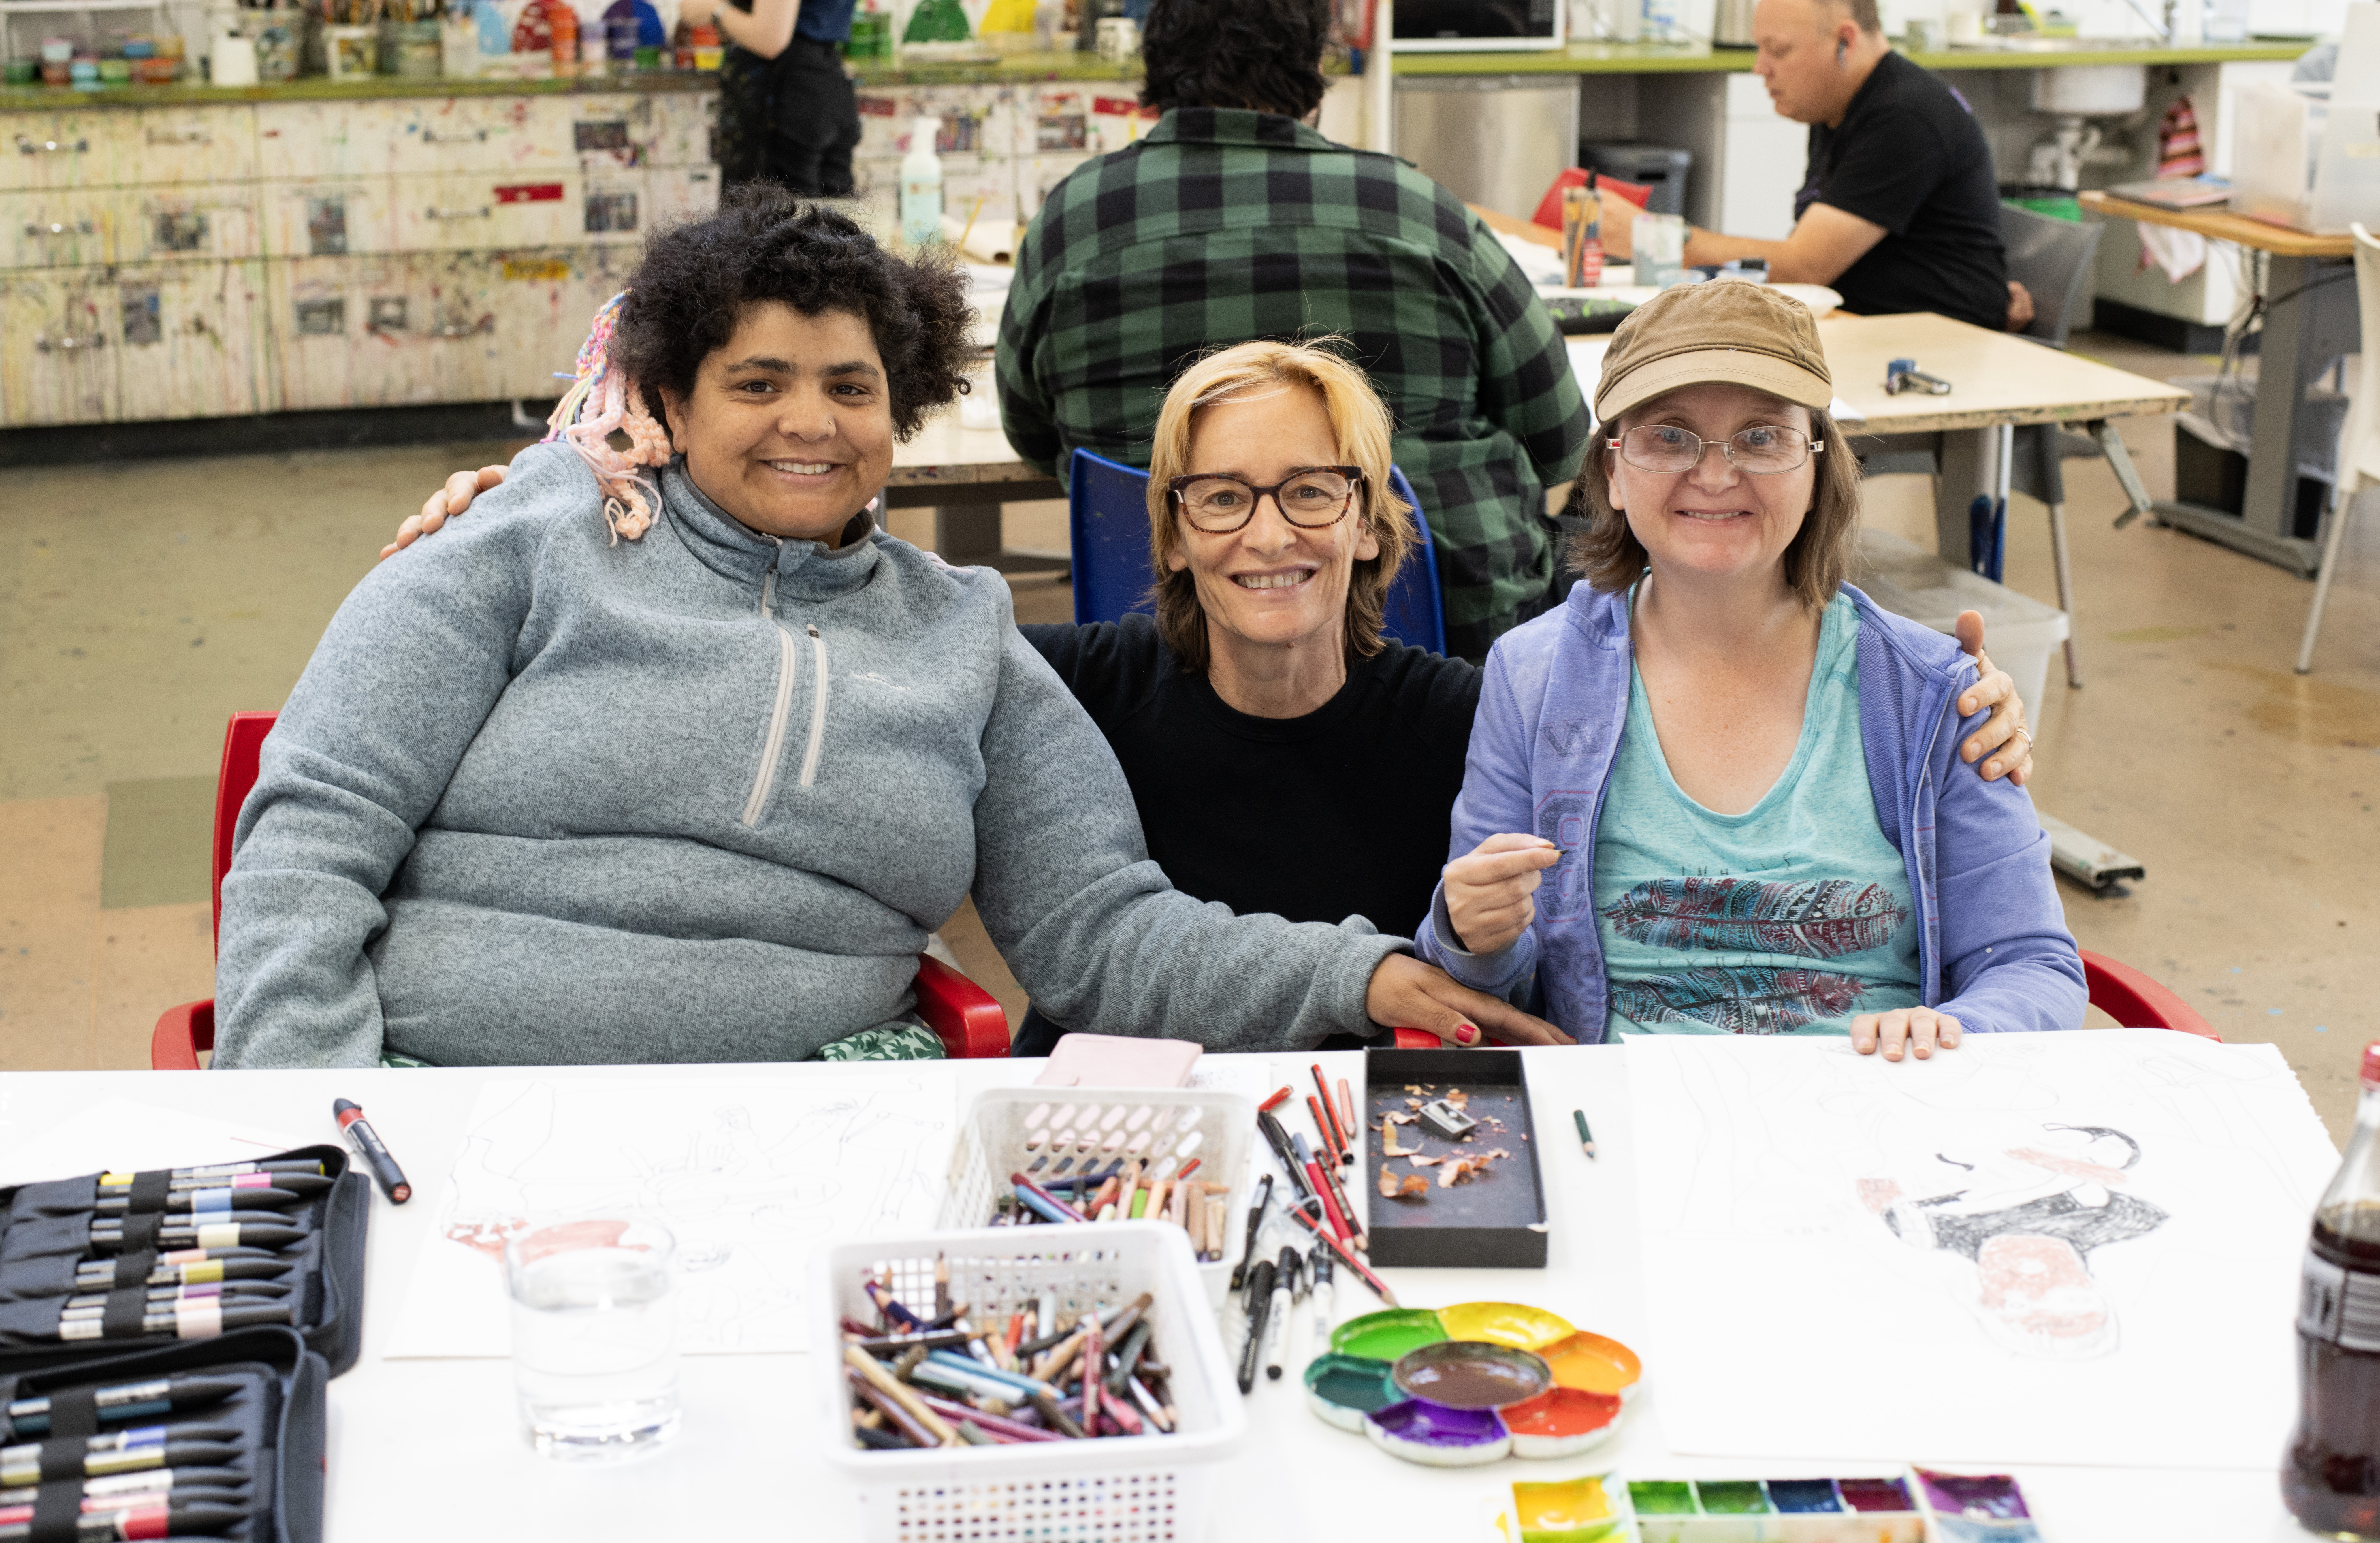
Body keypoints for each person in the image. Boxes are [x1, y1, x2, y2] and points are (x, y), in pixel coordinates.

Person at [389, 336, 2043, 1056]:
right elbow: (807, 647)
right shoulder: (1054, 686)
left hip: (1370, 1143)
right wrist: (545, 506)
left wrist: (1959, 727)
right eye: (1221, 497)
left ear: (1378, 516)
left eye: (1315, 491)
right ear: (1164, 527)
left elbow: (1550, 929)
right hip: (1117, 1133)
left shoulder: (1491, 712)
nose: (1270, 533)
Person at [214, 189, 1560, 1069]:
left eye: (849, 387)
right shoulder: (523, 540)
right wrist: (314, 1123)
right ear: (670, 402)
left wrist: (1365, 974)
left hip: (815, 1135)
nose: (809, 421)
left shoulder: (963, 638)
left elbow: (1097, 931)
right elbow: (314, 830)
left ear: (898, 414)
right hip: (445, 1100)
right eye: (757, 382)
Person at [1419, 281, 2084, 1056]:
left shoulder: (1930, 692)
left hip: (1869, 1121)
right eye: (1669, 436)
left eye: (1761, 437)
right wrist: (1471, 935)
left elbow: (2034, 965)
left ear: (1818, 463)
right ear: (1612, 471)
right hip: (1630, 1129)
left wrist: (1958, 1029)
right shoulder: (1532, 677)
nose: (1713, 473)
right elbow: (1479, 983)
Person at [994, 0, 1592, 661]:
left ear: (1154, 68)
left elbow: (1034, 438)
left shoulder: (1073, 223)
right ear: (1315, 67)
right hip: (1452, 637)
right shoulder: (1416, 212)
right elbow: (1558, 437)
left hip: (1167, 637)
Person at [1597, 0, 2031, 333]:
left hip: (1931, 343)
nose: (1759, 68)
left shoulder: (1906, 117)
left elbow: (1803, 266)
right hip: (1864, 324)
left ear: (1844, 41)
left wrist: (1658, 236)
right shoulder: (1836, 107)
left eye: (1778, 50)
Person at [679, 0, 861, 196]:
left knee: (776, 216)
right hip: (826, 78)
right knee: (834, 213)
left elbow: (769, 39)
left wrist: (715, 9)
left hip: (785, 91)